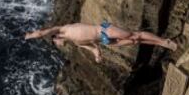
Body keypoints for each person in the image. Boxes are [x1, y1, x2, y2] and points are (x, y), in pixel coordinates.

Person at [25, 22, 177, 62]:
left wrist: (31, 35)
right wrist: (98, 56)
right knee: (134, 41)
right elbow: (93, 48)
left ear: (56, 38)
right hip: (105, 41)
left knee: (133, 34)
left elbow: (43, 32)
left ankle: (164, 41)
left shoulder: (62, 30)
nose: (59, 46)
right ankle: (159, 43)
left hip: (103, 30)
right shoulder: (76, 43)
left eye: (56, 44)